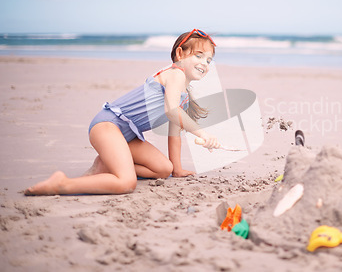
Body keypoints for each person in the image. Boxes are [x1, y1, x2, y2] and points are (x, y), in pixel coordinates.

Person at [25, 29, 220, 195]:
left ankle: (104, 166)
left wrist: (176, 169)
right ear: (180, 53)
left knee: (163, 169)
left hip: (129, 134)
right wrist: (202, 133)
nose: (205, 63)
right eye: (199, 55)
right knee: (126, 183)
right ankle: (63, 184)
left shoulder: (183, 96)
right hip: (109, 125)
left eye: (209, 60)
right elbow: (171, 111)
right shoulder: (175, 73)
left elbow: (174, 134)